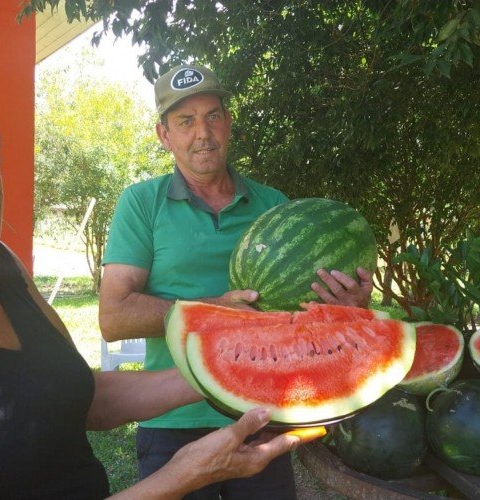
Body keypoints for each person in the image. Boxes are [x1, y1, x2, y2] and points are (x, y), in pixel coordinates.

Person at [0, 42, 302, 499]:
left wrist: (230, 368)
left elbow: (83, 396)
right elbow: (116, 318)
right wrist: (182, 475)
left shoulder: (0, 266)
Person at [99, 63, 374, 499]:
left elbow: (303, 321)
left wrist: (346, 307)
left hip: (264, 411)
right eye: (185, 121)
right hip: (172, 417)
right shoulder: (141, 203)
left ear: (228, 124)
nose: (202, 132)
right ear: (164, 135)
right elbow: (114, 317)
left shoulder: (274, 205)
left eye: (212, 116)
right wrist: (216, 311)